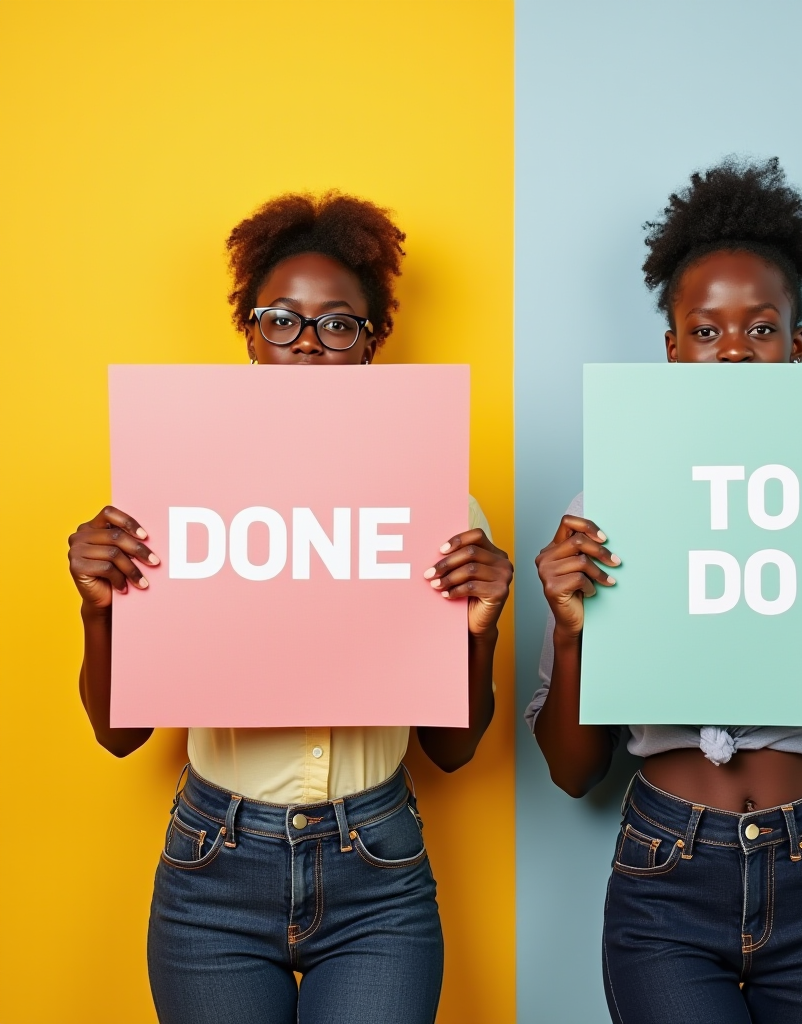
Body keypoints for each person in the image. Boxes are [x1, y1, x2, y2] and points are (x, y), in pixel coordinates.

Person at [67, 192, 513, 1024]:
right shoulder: (172, 494)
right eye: (282, 320)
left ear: (373, 343)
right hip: (215, 870)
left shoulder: (442, 507)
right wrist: (98, 612)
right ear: (250, 334)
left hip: (376, 868)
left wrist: (479, 634)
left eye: (338, 325)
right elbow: (119, 736)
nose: (308, 344)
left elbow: (453, 753)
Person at [527, 158, 802, 1024]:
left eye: (760, 330)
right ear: (672, 348)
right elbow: (573, 773)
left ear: (796, 348)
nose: (733, 353)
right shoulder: (606, 505)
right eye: (706, 331)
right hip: (664, 876)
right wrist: (571, 635)